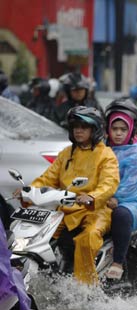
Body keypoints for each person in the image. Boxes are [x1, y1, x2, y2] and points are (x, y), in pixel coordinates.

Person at [16, 107, 119, 284]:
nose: (78, 130)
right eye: (75, 126)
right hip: (65, 209)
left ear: (94, 130)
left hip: (95, 211)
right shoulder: (66, 153)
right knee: (35, 234)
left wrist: (92, 197)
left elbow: (109, 183)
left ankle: (85, 287)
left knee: (88, 238)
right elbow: (47, 178)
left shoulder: (106, 155)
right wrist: (28, 191)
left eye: (83, 127)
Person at [104, 98, 137, 280]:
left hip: (133, 203)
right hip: (102, 199)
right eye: (114, 129)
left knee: (121, 214)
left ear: (131, 129)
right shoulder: (100, 150)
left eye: (123, 129)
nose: (118, 133)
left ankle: (117, 261)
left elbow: (132, 186)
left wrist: (115, 198)